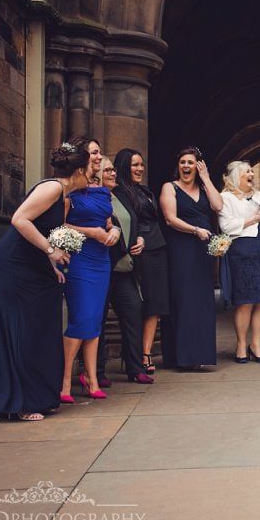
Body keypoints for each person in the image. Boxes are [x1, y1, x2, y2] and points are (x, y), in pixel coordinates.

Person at [0, 143, 88, 421]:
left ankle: (37, 396)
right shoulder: (52, 187)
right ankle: (20, 402)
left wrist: (49, 265)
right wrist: (51, 250)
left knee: (38, 326)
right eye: (91, 169)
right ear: (79, 170)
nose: (93, 174)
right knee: (22, 330)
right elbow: (20, 220)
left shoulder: (63, 195)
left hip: (29, 265)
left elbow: (39, 228)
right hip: (12, 265)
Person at [61, 136, 116, 401]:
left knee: (94, 320)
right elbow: (58, 225)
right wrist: (89, 232)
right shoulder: (68, 190)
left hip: (101, 260)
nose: (98, 156)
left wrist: (113, 230)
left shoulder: (104, 191)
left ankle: (92, 380)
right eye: (93, 152)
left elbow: (107, 222)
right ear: (82, 157)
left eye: (99, 152)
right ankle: (65, 382)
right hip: (80, 259)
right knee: (81, 319)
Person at [160, 146, 223, 369]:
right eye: (183, 162)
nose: (186, 166)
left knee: (202, 301)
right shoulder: (170, 187)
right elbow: (170, 219)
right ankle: (182, 357)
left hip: (203, 250)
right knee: (183, 299)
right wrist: (195, 230)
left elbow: (218, 206)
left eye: (191, 163)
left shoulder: (204, 188)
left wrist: (206, 178)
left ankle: (200, 356)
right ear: (178, 166)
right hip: (181, 247)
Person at [218, 161, 260, 363]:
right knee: (245, 301)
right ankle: (240, 345)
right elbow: (226, 227)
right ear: (236, 175)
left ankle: (256, 344)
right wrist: (255, 218)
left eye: (252, 171)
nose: (252, 173)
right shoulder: (225, 198)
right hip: (242, 252)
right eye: (247, 171)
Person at [96, 155, 154, 384]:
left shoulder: (120, 195)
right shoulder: (91, 197)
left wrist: (140, 237)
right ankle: (97, 372)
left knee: (133, 313)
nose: (113, 174)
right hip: (103, 267)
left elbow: (135, 220)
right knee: (98, 320)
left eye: (113, 170)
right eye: (107, 170)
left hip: (125, 268)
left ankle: (135, 367)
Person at [114, 149, 169, 374]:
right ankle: (135, 356)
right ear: (124, 167)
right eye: (134, 165)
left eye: (141, 165)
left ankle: (145, 353)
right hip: (140, 252)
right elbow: (126, 221)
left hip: (157, 249)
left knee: (155, 303)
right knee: (139, 305)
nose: (139, 169)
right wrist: (139, 240)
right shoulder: (119, 192)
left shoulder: (143, 190)